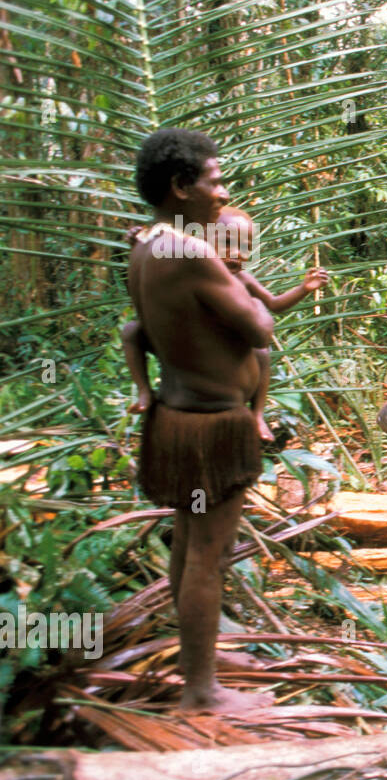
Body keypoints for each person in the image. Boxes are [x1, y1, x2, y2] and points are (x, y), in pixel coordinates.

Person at [124, 128, 275, 713]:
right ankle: (202, 693)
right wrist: (257, 298)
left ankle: (195, 662)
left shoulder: (145, 246)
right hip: (211, 434)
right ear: (181, 186)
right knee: (208, 554)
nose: (222, 192)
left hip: (177, 424)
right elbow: (258, 328)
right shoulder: (189, 252)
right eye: (214, 180)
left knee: (189, 541)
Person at [124, 205, 328, 441]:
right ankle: (143, 392)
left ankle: (257, 415)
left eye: (246, 248)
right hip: (183, 343)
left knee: (262, 351)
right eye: (227, 242)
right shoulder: (185, 265)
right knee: (132, 331)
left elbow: (273, 304)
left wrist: (304, 288)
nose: (237, 253)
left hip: (227, 350)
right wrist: (138, 241)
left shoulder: (242, 279)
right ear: (200, 240)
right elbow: (156, 258)